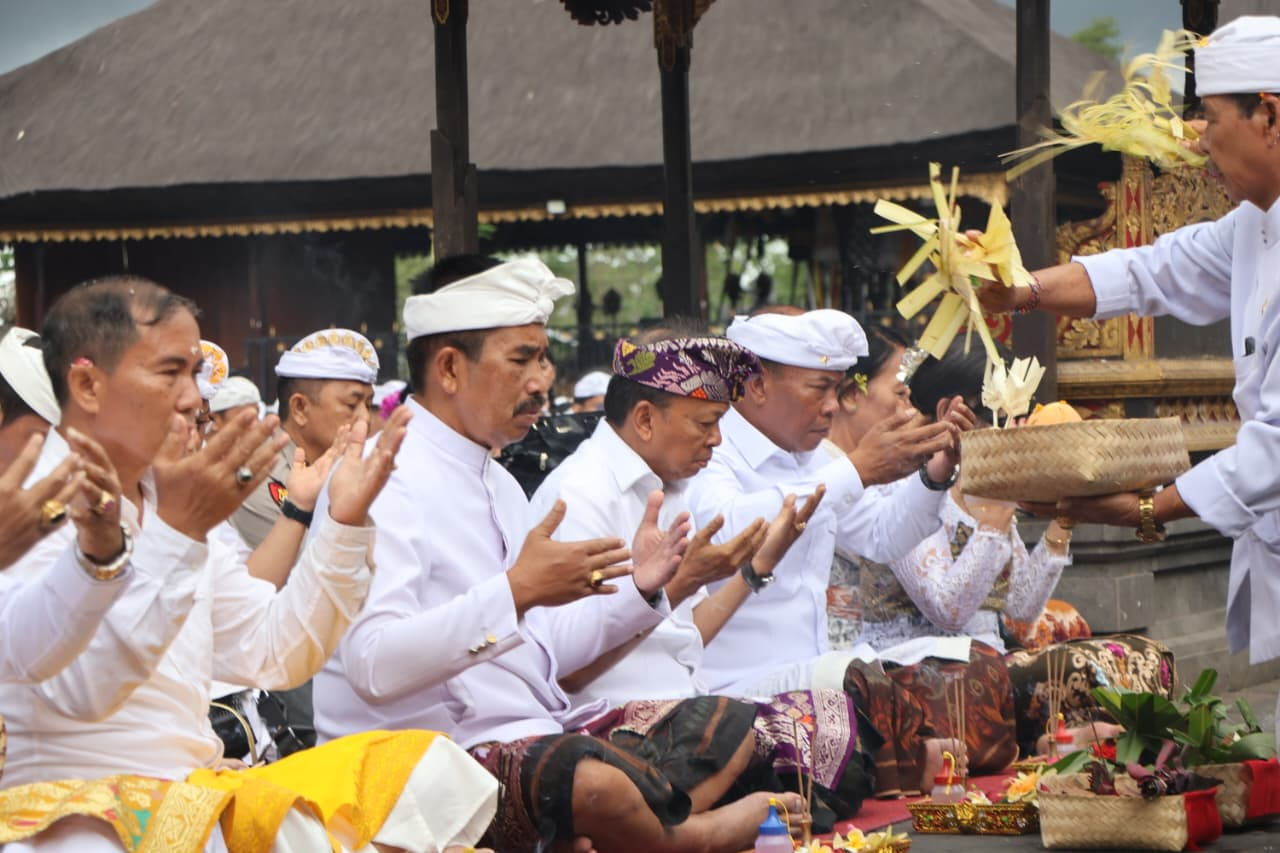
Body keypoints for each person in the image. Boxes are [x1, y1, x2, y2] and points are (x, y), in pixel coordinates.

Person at [314, 258, 805, 853]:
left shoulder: (494, 481)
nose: (542, 379)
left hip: (535, 736)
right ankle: (681, 836)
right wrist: (515, 591)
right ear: (448, 367)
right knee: (592, 782)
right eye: (521, 359)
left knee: (725, 725)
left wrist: (644, 592)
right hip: (420, 759)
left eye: (543, 358)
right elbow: (373, 667)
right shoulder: (383, 477)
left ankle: (620, 831)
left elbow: (547, 659)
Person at [0, 276, 496, 852]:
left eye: (192, 373)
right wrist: (178, 535)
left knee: (427, 766)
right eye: (169, 373)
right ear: (87, 383)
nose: (193, 398)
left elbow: (274, 650)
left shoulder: (166, 498)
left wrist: (342, 523)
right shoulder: (36, 500)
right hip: (75, 808)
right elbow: (82, 692)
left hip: (192, 790)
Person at [974, 16, 1280, 719]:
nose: (1198, 142)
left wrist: (1146, 508)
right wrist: (1019, 287)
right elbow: (1154, 269)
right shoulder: (1256, 222)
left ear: (1267, 113)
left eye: (1208, 117)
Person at [531, 329, 874, 829]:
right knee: (739, 727)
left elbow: (683, 641)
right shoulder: (579, 494)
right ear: (645, 419)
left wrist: (754, 571)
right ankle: (687, 827)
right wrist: (668, 587)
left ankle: (686, 817)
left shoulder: (670, 489)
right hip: (615, 731)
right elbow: (565, 669)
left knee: (830, 720)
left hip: (691, 720)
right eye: (706, 423)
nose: (717, 440)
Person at [684, 308, 970, 698]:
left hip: (815, 673)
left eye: (836, 389)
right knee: (876, 689)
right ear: (757, 386)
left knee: (968, 665)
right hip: (736, 690)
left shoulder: (813, 460)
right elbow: (733, 532)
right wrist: (856, 470)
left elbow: (882, 535)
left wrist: (936, 474)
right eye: (820, 388)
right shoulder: (708, 451)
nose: (832, 406)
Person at [230, 329, 378, 550]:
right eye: (351, 404)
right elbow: (309, 570)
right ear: (299, 408)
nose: (365, 418)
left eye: (368, 405)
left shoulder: (353, 465)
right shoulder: (259, 475)